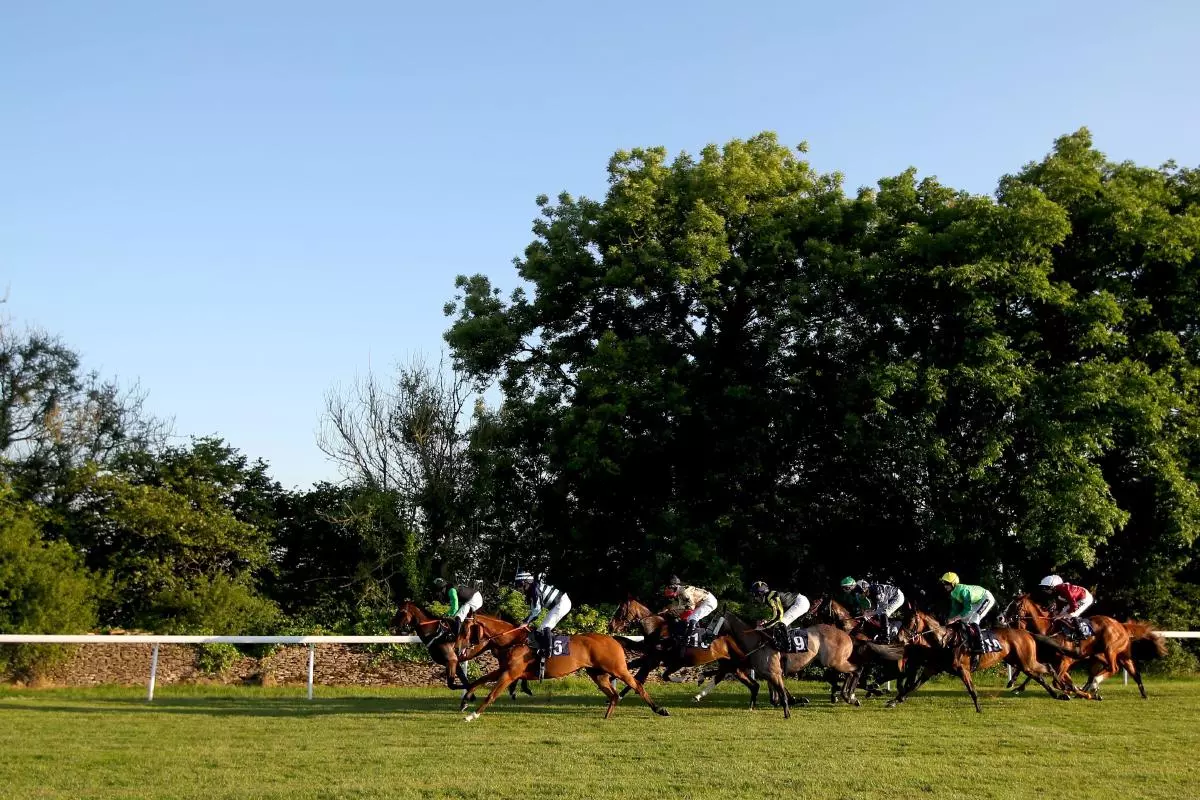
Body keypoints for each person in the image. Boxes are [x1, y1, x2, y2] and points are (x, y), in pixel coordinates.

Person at [515, 570, 571, 679]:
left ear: (526, 582)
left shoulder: (535, 589)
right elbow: (533, 610)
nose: (519, 588)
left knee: (545, 627)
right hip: (560, 603)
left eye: (519, 585)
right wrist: (525, 621)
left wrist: (526, 622)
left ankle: (548, 652)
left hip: (562, 603)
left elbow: (537, 610)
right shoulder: (532, 590)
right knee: (541, 628)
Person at [940, 572, 996, 670]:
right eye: (944, 583)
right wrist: (949, 620)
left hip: (986, 598)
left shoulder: (963, 591)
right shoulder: (953, 593)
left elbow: (967, 609)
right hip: (976, 601)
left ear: (953, 583)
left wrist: (954, 619)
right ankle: (971, 643)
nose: (945, 586)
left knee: (974, 619)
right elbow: (955, 610)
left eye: (947, 583)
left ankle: (979, 648)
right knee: (965, 619)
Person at [750, 581, 810, 650]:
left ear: (760, 593)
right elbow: (776, 615)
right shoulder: (769, 597)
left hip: (801, 602)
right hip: (799, 601)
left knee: (781, 624)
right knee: (780, 624)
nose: (755, 598)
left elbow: (778, 616)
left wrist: (764, 626)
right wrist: (767, 621)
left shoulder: (771, 597)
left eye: (755, 595)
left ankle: (790, 647)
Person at [842, 577, 905, 642]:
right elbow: (874, 608)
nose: (860, 595)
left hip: (898, 597)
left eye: (860, 593)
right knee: (877, 613)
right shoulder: (870, 592)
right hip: (889, 596)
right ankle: (883, 631)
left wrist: (870, 613)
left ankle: (886, 637)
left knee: (884, 612)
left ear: (865, 590)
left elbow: (881, 609)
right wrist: (868, 612)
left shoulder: (878, 594)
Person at [662, 576, 718, 647]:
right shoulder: (680, 593)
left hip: (709, 601)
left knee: (692, 618)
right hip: (701, 602)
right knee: (689, 618)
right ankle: (690, 636)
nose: (665, 590)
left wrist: (673, 610)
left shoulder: (685, 593)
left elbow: (690, 607)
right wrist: (668, 609)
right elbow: (678, 606)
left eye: (666, 588)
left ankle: (687, 640)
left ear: (672, 587)